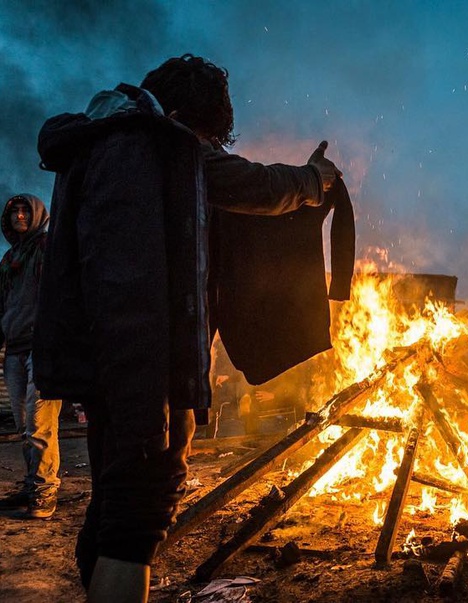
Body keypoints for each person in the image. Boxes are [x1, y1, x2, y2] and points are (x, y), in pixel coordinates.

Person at [33, 54, 340, 602]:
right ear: (179, 117)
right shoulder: (142, 147)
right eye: (205, 139)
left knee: (116, 499)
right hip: (142, 372)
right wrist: (316, 181)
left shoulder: (117, 143)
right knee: (139, 514)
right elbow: (128, 285)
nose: (208, 153)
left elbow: (244, 186)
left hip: (120, 369)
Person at [0, 194, 62, 519]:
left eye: (25, 210)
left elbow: (65, 295)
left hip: (43, 350)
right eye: (14, 211)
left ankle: (45, 492)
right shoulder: (9, 260)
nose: (20, 215)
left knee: (40, 427)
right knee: (25, 427)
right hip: (14, 352)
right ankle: (31, 485)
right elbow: (2, 306)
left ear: (37, 214)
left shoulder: (49, 249)